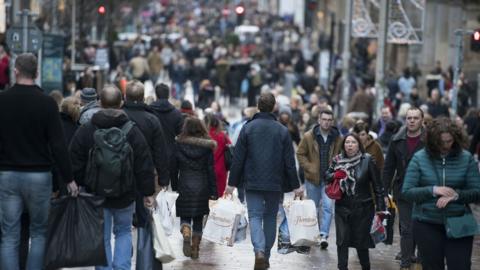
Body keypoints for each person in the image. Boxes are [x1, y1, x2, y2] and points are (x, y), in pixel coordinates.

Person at [0, 53, 78, 270]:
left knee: (9, 235)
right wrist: (69, 178)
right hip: (39, 176)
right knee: (39, 233)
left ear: (15, 71)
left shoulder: (2, 101)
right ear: (37, 73)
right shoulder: (47, 104)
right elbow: (58, 145)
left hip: (7, 174)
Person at [69, 85, 155, 270]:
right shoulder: (132, 130)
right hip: (125, 193)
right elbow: (144, 162)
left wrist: (76, 182)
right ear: (121, 103)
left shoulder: (88, 128)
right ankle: (122, 267)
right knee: (124, 231)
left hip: (96, 193)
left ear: (100, 103)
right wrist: (148, 192)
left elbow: (75, 157)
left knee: (103, 235)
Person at [225, 92, 303, 270]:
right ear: (274, 107)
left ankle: (259, 251)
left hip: (252, 181)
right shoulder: (282, 130)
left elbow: (238, 158)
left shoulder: (248, 128)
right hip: (275, 183)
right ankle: (265, 254)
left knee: (254, 215)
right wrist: (296, 186)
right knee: (270, 217)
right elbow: (289, 162)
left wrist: (232, 183)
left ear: (258, 106)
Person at [402, 117, 480, 270]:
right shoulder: (419, 158)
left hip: (459, 222)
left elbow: (477, 192)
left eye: (449, 141)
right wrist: (433, 190)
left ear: (456, 139)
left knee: (461, 266)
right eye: (441, 142)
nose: (445, 146)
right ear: (432, 140)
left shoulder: (466, 158)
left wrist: (456, 195)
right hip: (426, 222)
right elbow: (407, 192)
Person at [122, 80, 169, 270]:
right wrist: (164, 179)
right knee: (144, 222)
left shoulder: (120, 116)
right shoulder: (152, 120)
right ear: (142, 97)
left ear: (126, 97)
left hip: (120, 176)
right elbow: (160, 152)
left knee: (122, 224)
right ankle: (144, 263)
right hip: (145, 177)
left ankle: (123, 259)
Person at [325, 134, 386, 270]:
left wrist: (381, 208)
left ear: (359, 145)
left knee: (361, 244)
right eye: (347, 142)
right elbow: (326, 176)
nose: (350, 145)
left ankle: (366, 267)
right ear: (343, 145)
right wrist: (335, 174)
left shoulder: (368, 160)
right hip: (342, 208)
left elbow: (378, 185)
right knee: (342, 242)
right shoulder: (337, 160)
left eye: (353, 142)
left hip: (363, 209)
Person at [383, 107, 426, 270]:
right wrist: (384, 191)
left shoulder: (430, 140)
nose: (412, 121)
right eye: (409, 118)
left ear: (422, 120)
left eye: (416, 118)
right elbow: (388, 168)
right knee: (406, 227)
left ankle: (423, 258)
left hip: (425, 190)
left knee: (422, 225)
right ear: (405, 120)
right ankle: (406, 261)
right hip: (403, 190)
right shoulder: (397, 139)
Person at [172, 117, 218, 260]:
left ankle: (186, 231)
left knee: (185, 214)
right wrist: (213, 191)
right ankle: (196, 247)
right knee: (198, 218)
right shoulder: (207, 147)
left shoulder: (179, 144)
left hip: (184, 182)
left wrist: (174, 185)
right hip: (202, 184)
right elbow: (210, 169)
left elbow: (174, 167)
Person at [296, 109, 343, 249]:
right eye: (324, 119)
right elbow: (300, 153)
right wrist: (309, 167)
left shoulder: (338, 138)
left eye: (329, 120)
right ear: (319, 120)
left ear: (332, 122)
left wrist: (337, 169)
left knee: (328, 207)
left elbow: (342, 155)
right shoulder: (309, 136)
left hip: (329, 179)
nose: (326, 122)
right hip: (312, 178)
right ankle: (314, 234)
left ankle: (323, 235)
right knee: (313, 208)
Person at [149, 83, 184, 186]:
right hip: (171, 155)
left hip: (152, 155)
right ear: (168, 95)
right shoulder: (176, 113)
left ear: (156, 95)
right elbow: (181, 134)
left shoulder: (149, 111)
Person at [204, 113, 231, 197]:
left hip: (206, 170)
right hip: (221, 170)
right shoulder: (223, 136)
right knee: (218, 200)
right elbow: (230, 147)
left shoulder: (204, 136)